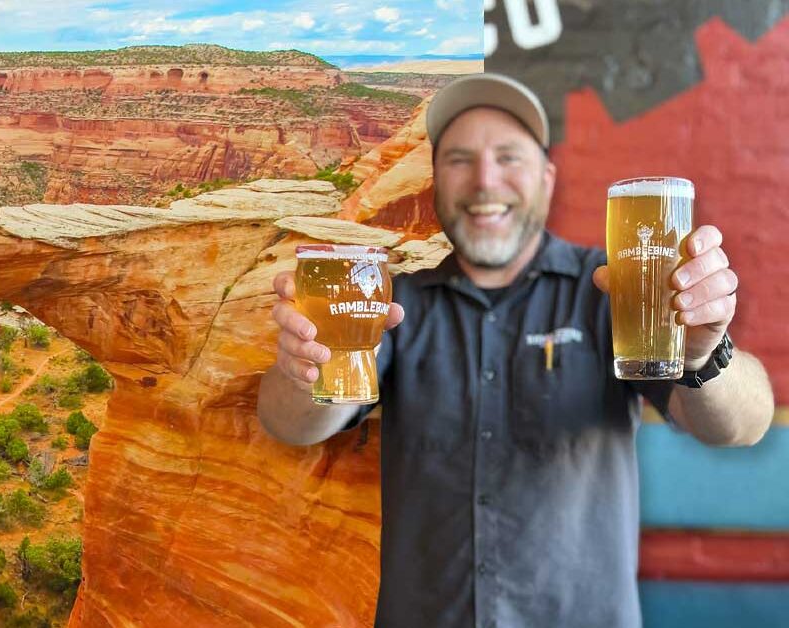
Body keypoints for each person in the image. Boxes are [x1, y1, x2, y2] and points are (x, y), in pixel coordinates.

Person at [256, 73, 775, 628]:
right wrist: (304, 368)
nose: (485, 181)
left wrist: (702, 356)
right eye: (460, 160)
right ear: (435, 181)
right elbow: (291, 424)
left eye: (508, 158)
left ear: (547, 180)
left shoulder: (612, 289)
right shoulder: (392, 302)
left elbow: (745, 423)